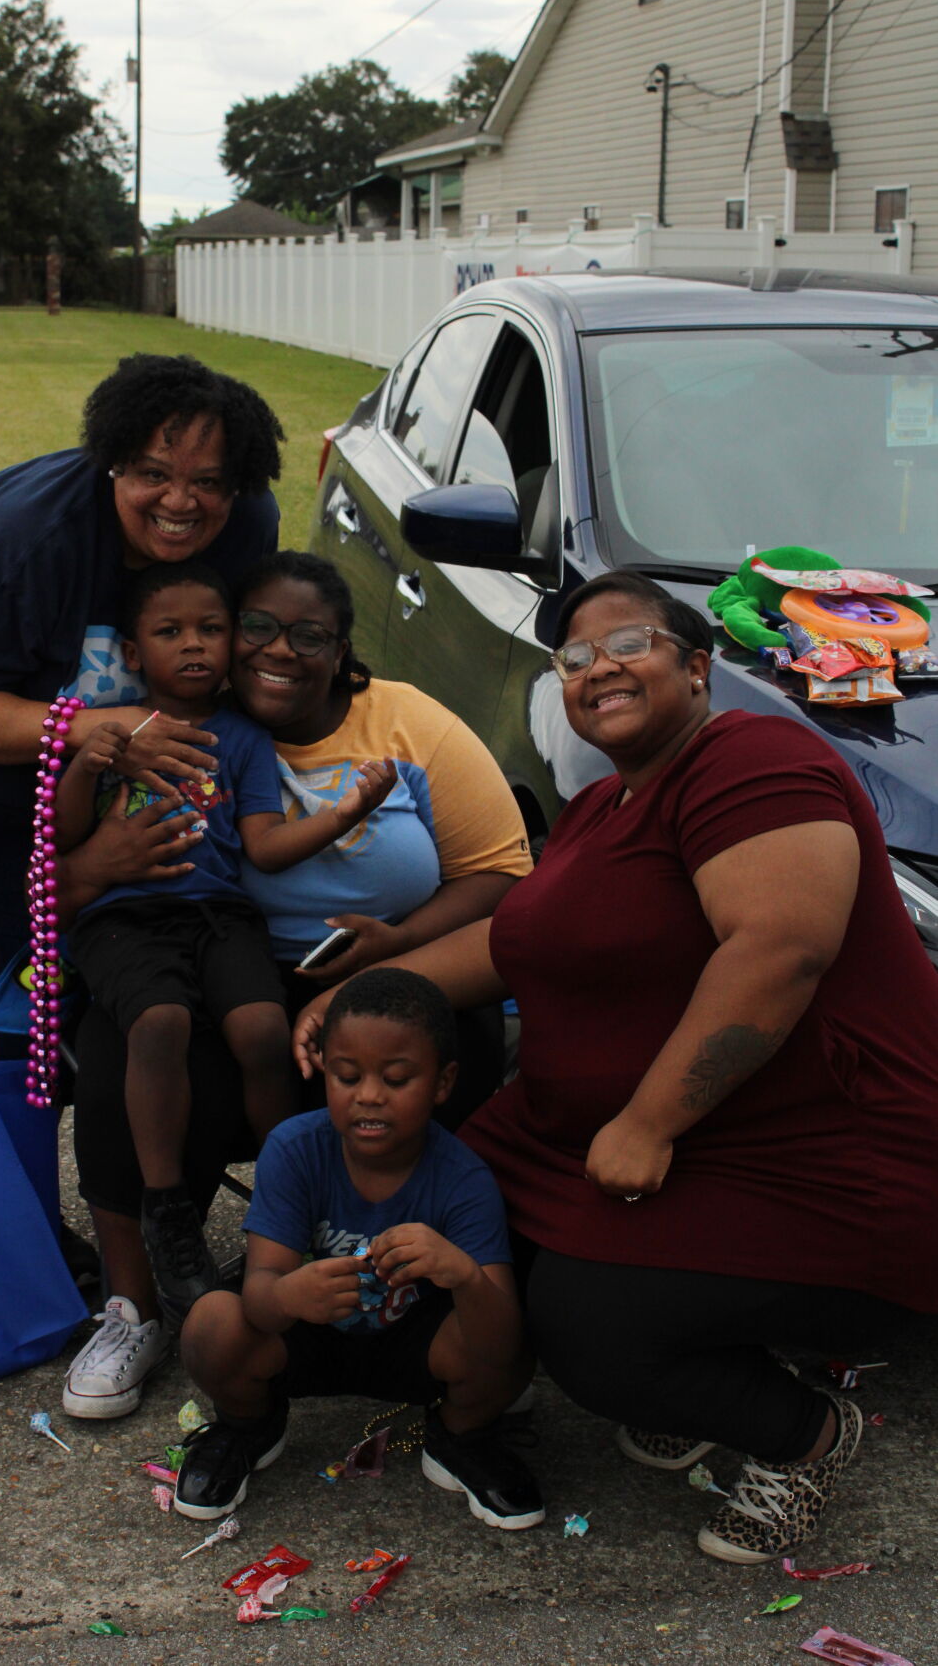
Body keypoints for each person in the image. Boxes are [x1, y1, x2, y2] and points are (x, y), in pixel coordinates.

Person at [294, 569, 938, 1565]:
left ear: (695, 666)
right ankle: (696, 1367)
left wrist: (645, 1123)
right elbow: (514, 944)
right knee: (455, 1213)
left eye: (626, 641)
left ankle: (800, 1434)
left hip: (819, 1152)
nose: (596, 667)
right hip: (624, 1135)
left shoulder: (753, 760)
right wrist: (368, 992)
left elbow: (779, 949)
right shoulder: (600, 809)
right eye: (574, 658)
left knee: (588, 1325)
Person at [60, 551, 533, 1420]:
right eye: (258, 629)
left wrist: (397, 945)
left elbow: (503, 872)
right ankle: (140, 1305)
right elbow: (65, 875)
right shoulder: (186, 723)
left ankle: (408, 1273)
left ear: (343, 649)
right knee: (122, 1034)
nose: (279, 651)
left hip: (385, 966)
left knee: (434, 1039)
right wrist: (96, 849)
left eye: (308, 635)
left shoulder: (407, 723)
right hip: (222, 956)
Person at [0, 353, 283, 1074]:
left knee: (43, 976)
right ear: (112, 463)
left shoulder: (246, 525)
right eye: (153, 473)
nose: (180, 501)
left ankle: (12, 1155)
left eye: (207, 482)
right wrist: (93, 726)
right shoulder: (20, 538)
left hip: (68, 780)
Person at [55, 560, 395, 1322]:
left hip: (217, 912)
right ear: (134, 652)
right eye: (170, 632)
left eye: (211, 628)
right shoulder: (113, 730)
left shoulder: (242, 734)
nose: (196, 646)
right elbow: (65, 838)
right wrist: (87, 762)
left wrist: (345, 812)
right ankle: (168, 1208)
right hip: (125, 919)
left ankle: (287, 1199)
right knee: (160, 1022)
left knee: (262, 1028)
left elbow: (264, 846)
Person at [173, 967, 544, 1530]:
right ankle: (249, 1426)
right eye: (347, 1076)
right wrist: (290, 1293)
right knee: (211, 1321)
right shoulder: (295, 1149)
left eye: (396, 1079)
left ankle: (459, 1436)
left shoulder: (463, 1176)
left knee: (514, 1336)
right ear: (324, 1071)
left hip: (418, 1347)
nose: (369, 1096)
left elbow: (501, 1342)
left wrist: (463, 1275)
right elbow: (258, 1299)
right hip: (310, 1338)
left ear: (442, 1084)